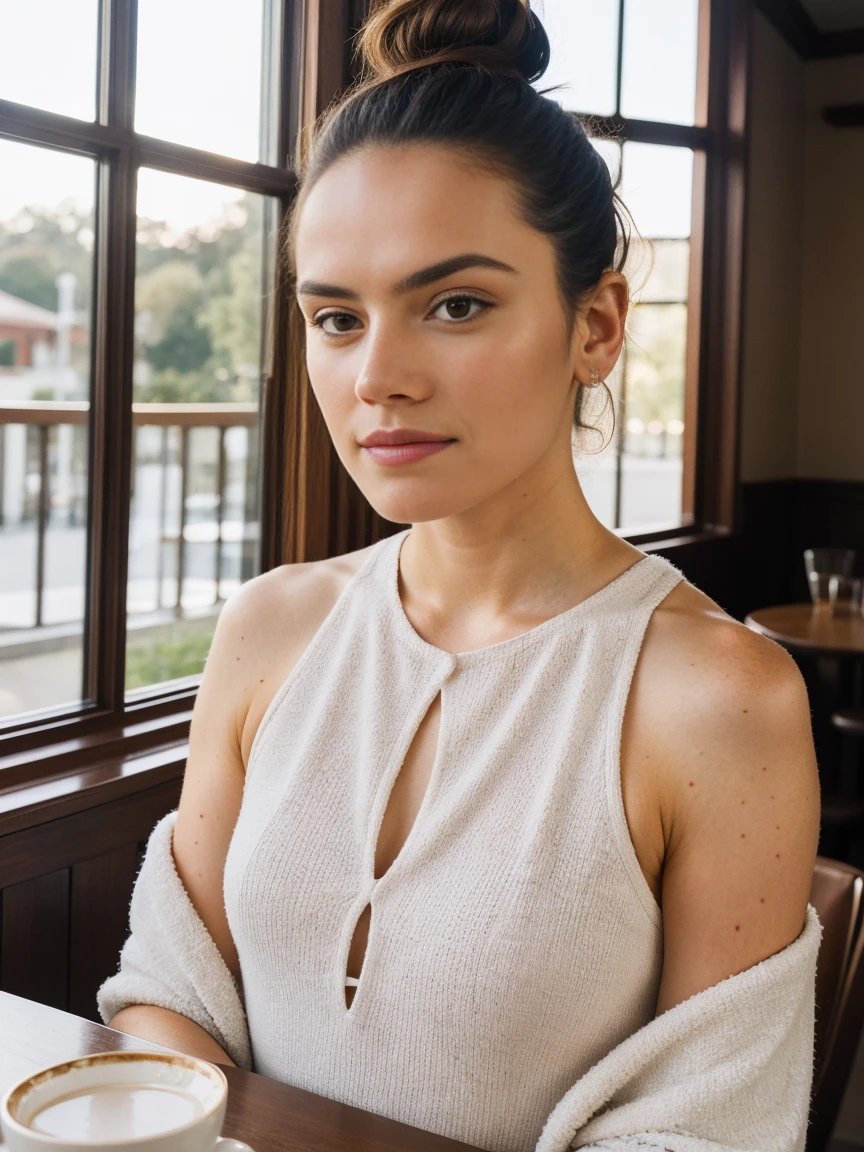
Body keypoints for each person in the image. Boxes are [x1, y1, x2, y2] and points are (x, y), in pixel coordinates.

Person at [104, 1, 821, 1147]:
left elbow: (703, 1131)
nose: (378, 377)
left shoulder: (722, 701)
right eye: (336, 317)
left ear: (596, 325)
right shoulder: (270, 628)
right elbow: (173, 996)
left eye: (455, 305)